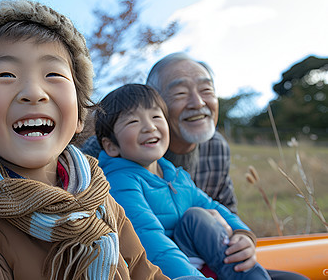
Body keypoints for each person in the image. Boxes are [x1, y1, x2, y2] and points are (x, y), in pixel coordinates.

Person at [0, 0, 179, 280]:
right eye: (5, 74)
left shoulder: (100, 198)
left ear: (79, 115)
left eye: (53, 74)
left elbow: (144, 270)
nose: (33, 91)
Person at [95, 83, 270, 280]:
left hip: (204, 264)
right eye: (133, 121)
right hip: (171, 274)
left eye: (156, 116)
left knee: (198, 216)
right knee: (197, 217)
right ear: (111, 146)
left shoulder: (175, 176)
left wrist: (242, 233)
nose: (150, 126)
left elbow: (212, 205)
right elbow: (150, 241)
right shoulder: (119, 183)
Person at [80, 53, 237, 213]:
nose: (198, 103)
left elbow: (226, 209)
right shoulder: (101, 151)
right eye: (180, 93)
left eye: (206, 90)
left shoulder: (217, 146)